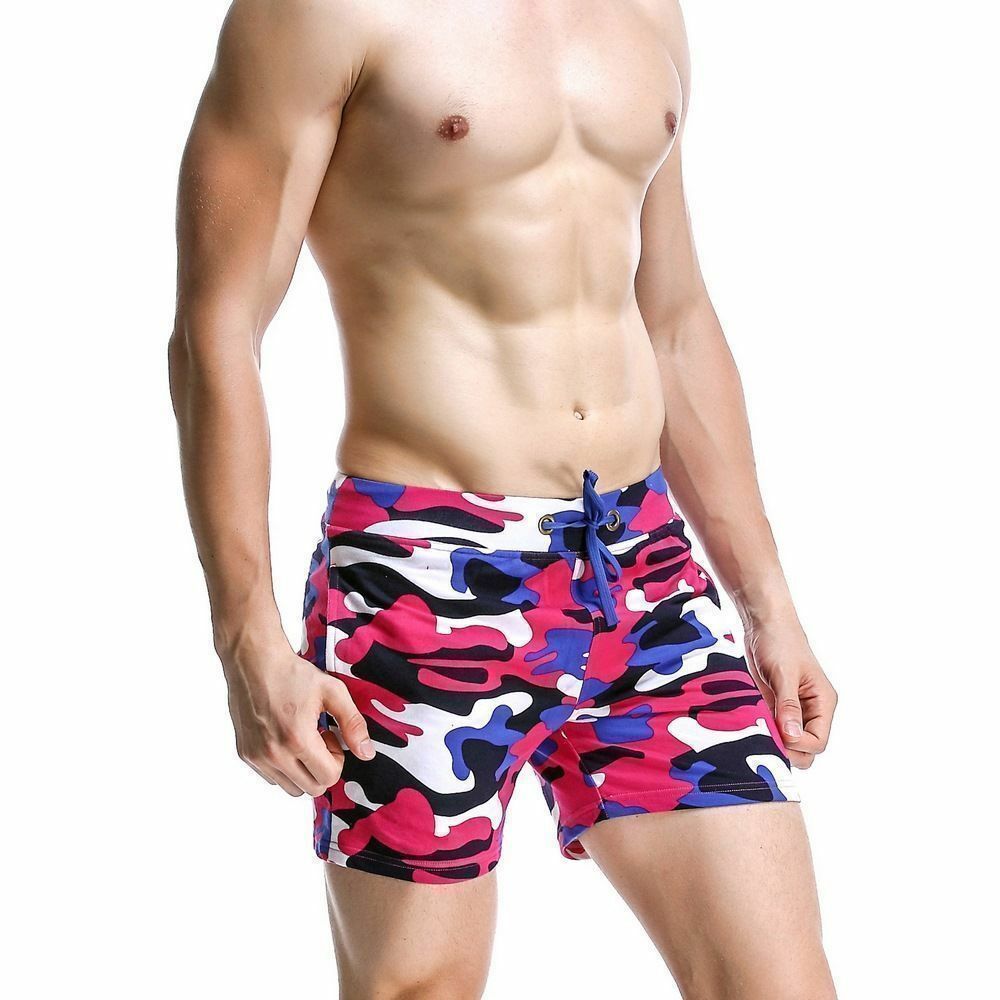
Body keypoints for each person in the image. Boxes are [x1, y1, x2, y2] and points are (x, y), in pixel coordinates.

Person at [168, 1, 838, 996]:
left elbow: (675, 316)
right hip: (428, 569)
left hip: (639, 562)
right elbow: (217, 329)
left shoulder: (644, 11)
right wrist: (246, 641)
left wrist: (766, 601)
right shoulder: (319, 12)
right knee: (420, 986)